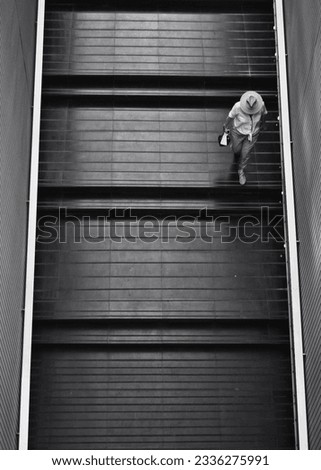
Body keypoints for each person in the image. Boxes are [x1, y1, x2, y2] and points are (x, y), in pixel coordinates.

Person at [223, 91, 268, 185]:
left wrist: (263, 125)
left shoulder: (261, 106)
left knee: (245, 154)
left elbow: (264, 115)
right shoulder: (237, 107)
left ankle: (241, 170)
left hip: (252, 134)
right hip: (238, 132)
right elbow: (230, 117)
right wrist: (226, 127)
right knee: (236, 150)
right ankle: (235, 148)